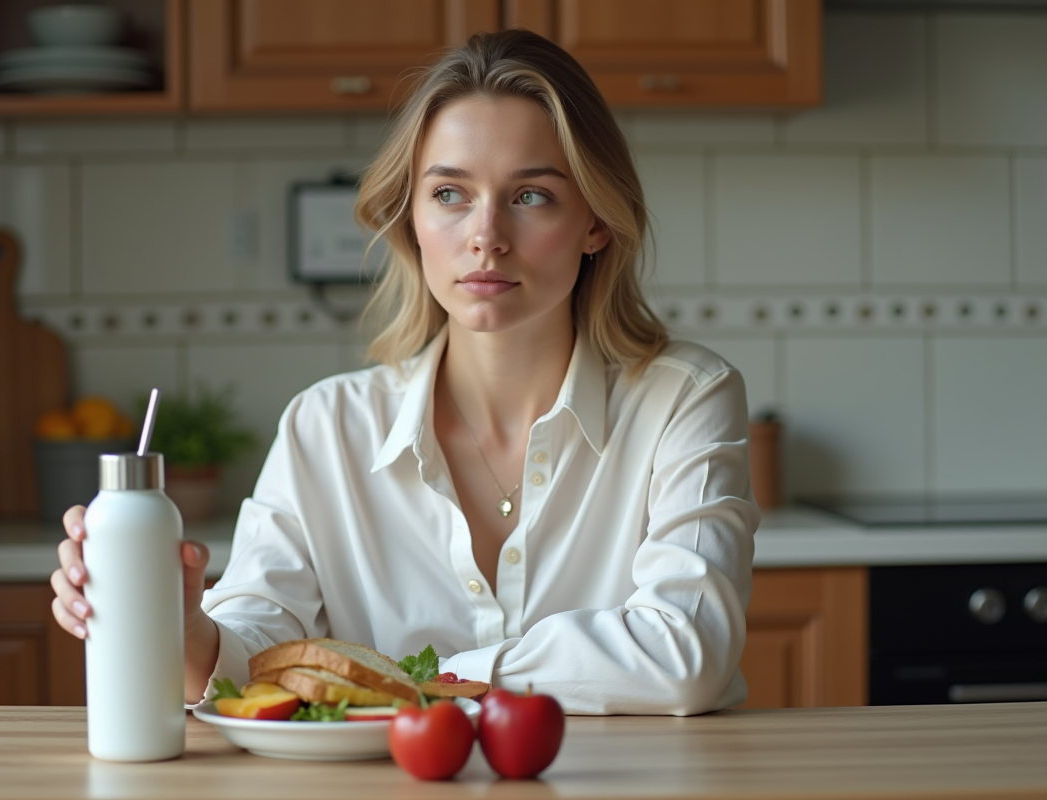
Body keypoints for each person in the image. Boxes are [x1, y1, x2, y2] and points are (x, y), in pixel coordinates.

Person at [51, 28, 759, 716]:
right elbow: (256, 652)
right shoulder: (325, 426)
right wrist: (180, 626)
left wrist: (436, 680)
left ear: (596, 221)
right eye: (450, 194)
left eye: (531, 195)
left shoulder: (685, 399)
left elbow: (686, 654)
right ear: (411, 220)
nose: (486, 236)